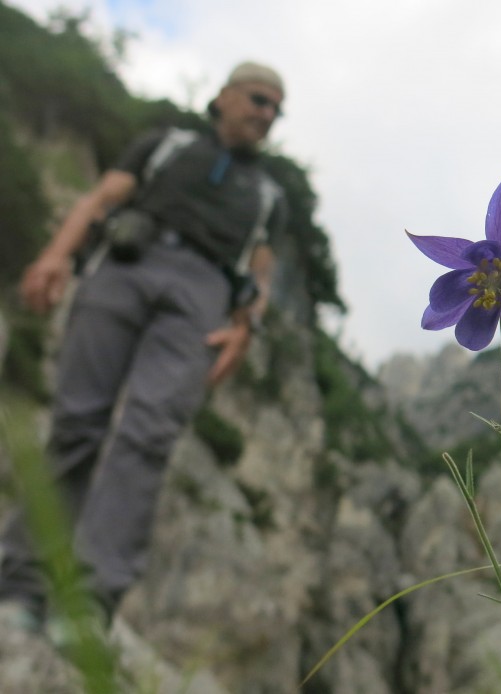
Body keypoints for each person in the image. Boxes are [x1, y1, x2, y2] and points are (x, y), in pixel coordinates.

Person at [0, 61, 288, 637]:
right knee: (76, 422)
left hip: (202, 299)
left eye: (276, 109)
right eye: (258, 99)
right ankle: (21, 587)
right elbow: (101, 198)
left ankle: (88, 603)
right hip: (126, 268)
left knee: (150, 435)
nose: (266, 114)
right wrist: (57, 255)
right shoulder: (165, 145)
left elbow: (261, 271)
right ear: (225, 95)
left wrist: (244, 329)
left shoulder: (269, 195)